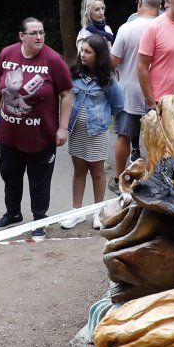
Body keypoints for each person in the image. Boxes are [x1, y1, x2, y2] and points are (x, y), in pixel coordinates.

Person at [0, 16, 72, 235]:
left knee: (39, 180)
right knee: (10, 176)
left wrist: (63, 128)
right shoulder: (7, 54)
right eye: (33, 33)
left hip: (41, 136)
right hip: (10, 134)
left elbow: (66, 94)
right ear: (22, 36)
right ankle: (13, 213)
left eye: (41, 32)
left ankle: (39, 220)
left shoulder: (53, 60)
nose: (39, 37)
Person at [66, 31, 121, 226]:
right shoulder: (74, 74)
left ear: (99, 55)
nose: (83, 55)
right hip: (76, 131)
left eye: (88, 52)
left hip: (97, 133)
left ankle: (98, 211)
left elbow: (118, 104)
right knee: (79, 171)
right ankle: (77, 211)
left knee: (97, 172)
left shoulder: (108, 79)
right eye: (82, 51)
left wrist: (102, 119)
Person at [108, 0, 162, 176]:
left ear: (140, 2)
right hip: (157, 92)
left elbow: (114, 61)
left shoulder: (127, 27)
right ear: (160, 6)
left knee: (124, 136)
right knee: (155, 142)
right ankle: (148, 180)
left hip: (129, 91)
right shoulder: (163, 28)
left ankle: (119, 177)